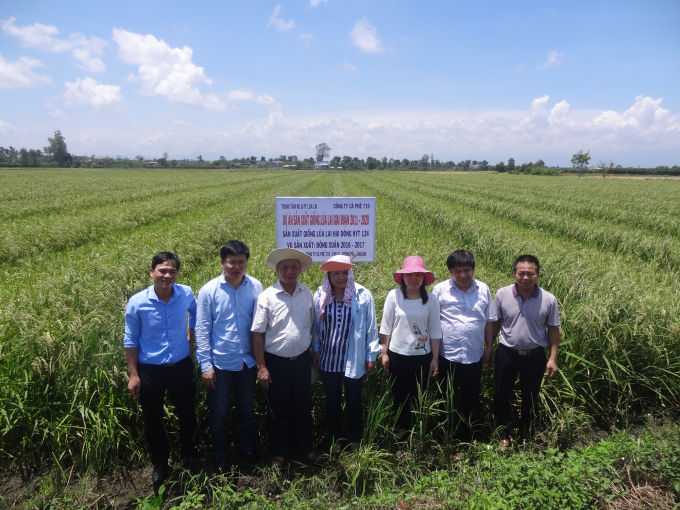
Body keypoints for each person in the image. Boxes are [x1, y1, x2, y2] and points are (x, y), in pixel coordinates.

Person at [123, 251, 198, 493]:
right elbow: (130, 340)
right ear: (152, 272)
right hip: (150, 371)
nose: (167, 275)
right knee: (153, 419)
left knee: (187, 414)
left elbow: (196, 312)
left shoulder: (185, 293)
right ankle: (160, 463)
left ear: (177, 273)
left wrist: (191, 337)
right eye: (162, 271)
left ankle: (189, 455)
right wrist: (134, 375)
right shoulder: (137, 302)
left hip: (181, 366)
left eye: (172, 271)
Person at [195, 241, 263, 471]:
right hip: (220, 363)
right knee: (219, 412)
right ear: (222, 262)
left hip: (247, 362)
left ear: (246, 262)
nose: (236, 267)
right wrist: (205, 365)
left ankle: (248, 450)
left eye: (241, 262)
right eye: (232, 262)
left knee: (247, 408)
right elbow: (202, 330)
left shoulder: (255, 286)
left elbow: (260, 324)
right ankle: (221, 455)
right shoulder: (208, 291)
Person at [251, 248, 322, 467]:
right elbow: (257, 334)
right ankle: (279, 453)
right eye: (284, 267)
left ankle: (306, 449)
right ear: (276, 270)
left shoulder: (306, 293)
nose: (289, 272)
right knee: (277, 409)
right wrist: (262, 367)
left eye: (293, 267)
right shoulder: (266, 297)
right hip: (276, 363)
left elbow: (313, 327)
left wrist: (315, 352)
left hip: (302, 360)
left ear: (300, 269)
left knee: (303, 406)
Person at [311, 255, 381, 452]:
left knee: (354, 402)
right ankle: (336, 441)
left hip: (355, 359)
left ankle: (355, 441)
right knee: (332, 401)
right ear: (329, 275)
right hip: (328, 359)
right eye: (336, 273)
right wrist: (316, 350)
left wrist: (371, 356)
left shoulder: (363, 295)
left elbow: (370, 328)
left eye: (345, 272)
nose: (341, 277)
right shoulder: (321, 296)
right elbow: (315, 327)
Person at [492, 254, 561, 449]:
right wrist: (489, 348)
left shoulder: (549, 300)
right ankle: (502, 434)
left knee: (530, 396)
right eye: (521, 273)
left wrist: (552, 359)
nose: (525, 277)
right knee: (501, 394)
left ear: (537, 275)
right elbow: (496, 323)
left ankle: (525, 433)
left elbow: (553, 329)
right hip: (506, 353)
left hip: (535, 356)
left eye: (530, 273)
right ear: (514, 273)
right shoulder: (502, 294)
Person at [433, 250, 497, 441]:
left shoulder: (483, 289)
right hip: (447, 354)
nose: (462, 275)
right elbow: (434, 322)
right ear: (451, 271)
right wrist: (434, 356)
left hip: (474, 353)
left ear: (473, 269)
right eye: (457, 270)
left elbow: (489, 321)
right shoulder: (440, 289)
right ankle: (445, 434)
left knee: (472, 396)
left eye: (466, 270)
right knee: (446, 396)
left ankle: (471, 435)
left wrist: (489, 347)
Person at [379, 256, 442, 440]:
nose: (413, 278)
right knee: (398, 394)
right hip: (397, 355)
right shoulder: (394, 296)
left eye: (418, 274)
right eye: (409, 274)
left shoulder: (431, 299)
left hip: (422, 356)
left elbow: (435, 329)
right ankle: (400, 428)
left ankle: (414, 431)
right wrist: (384, 352)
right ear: (403, 277)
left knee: (417, 394)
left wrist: (435, 358)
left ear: (424, 278)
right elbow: (386, 326)